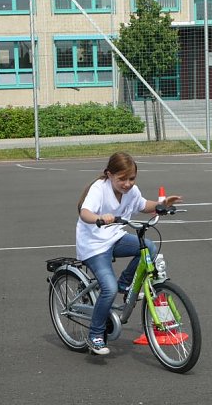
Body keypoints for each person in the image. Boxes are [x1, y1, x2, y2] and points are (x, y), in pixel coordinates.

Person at [76, 152, 181, 356]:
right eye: (121, 179)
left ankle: (126, 283)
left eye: (131, 179)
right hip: (94, 245)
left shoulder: (131, 191)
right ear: (109, 175)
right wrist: (99, 217)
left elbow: (143, 205)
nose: (127, 183)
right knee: (108, 288)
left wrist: (162, 206)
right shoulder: (99, 188)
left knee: (148, 247)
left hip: (114, 237)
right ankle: (95, 334)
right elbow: (84, 212)